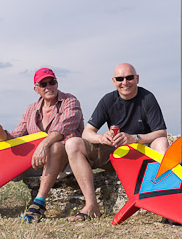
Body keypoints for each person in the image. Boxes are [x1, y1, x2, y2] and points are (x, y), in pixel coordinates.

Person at [65, 62, 169, 222]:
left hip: (141, 155)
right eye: (120, 79)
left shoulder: (147, 98)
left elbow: (161, 132)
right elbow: (87, 133)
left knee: (161, 142)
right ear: (114, 81)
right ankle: (91, 206)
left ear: (137, 79)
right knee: (72, 143)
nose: (125, 83)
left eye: (129, 78)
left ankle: (165, 204)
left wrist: (135, 138)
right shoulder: (108, 100)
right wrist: (101, 138)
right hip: (114, 154)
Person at [0, 67, 84, 222]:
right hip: (40, 161)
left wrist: (44, 145)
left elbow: (65, 128)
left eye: (51, 82)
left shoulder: (69, 101)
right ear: (36, 89)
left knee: (56, 146)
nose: (48, 87)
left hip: (67, 159)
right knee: (4, 151)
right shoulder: (31, 109)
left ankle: (39, 203)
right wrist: (1, 133)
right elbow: (17, 137)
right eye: (43, 84)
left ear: (57, 83)